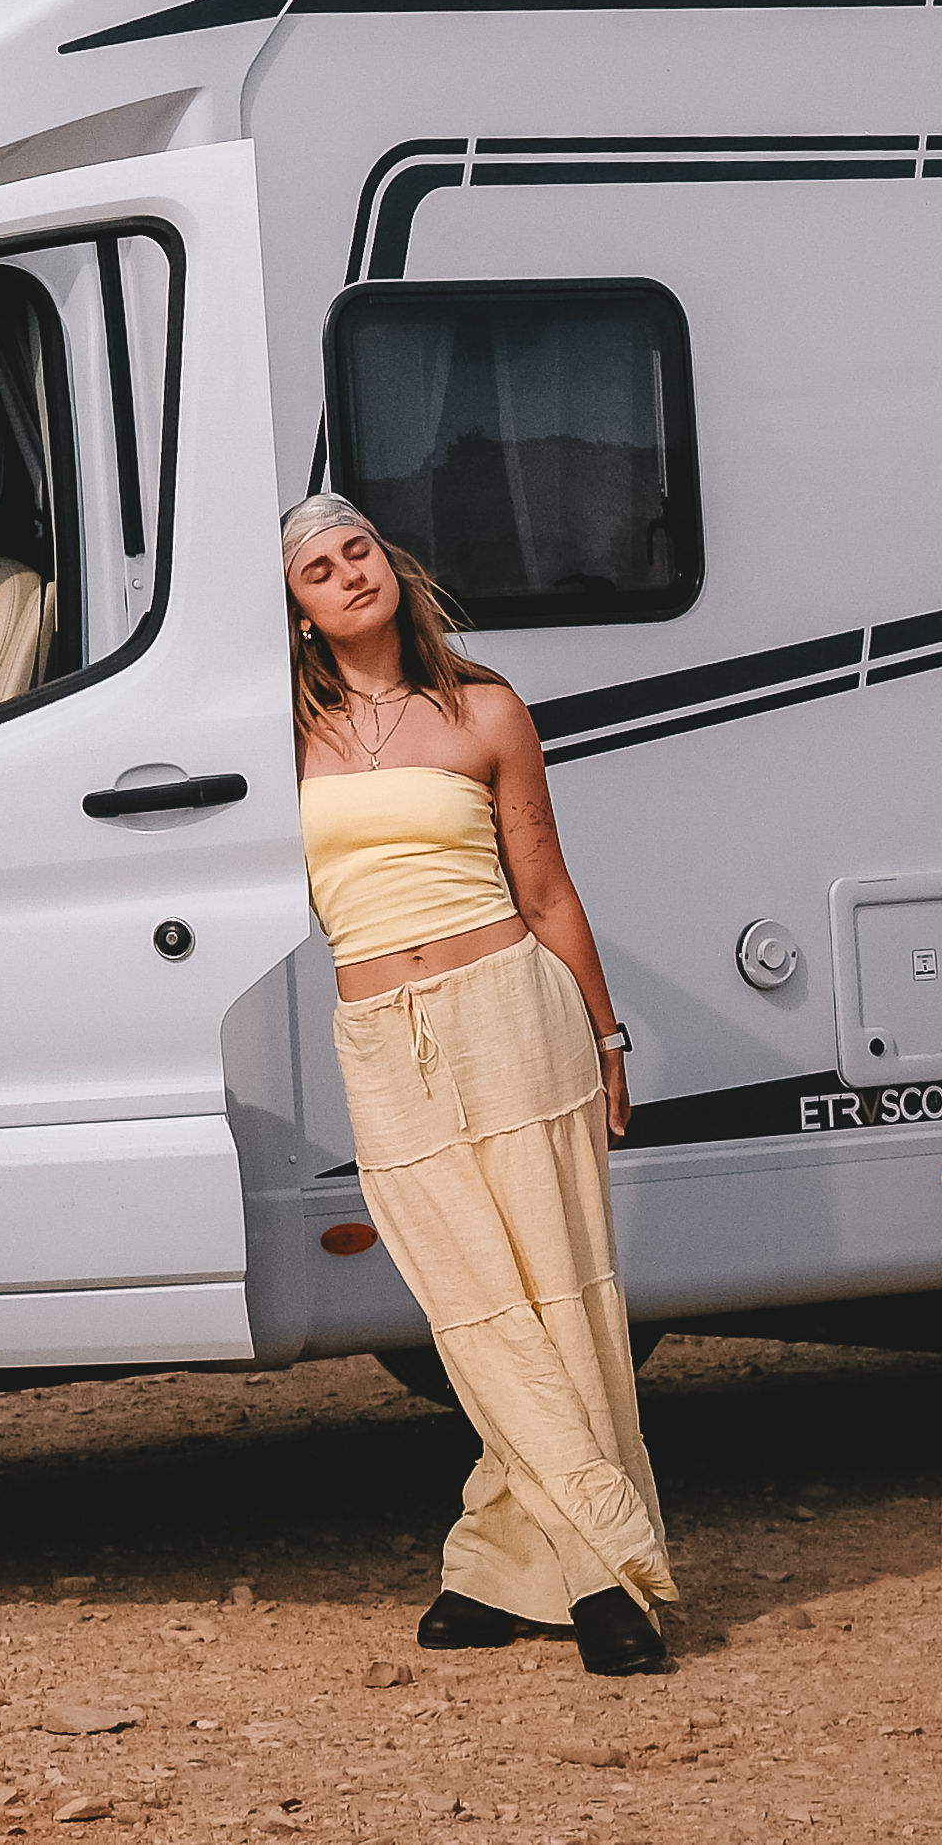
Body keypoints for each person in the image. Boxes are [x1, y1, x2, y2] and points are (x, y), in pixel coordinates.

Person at [285, 490, 679, 1675]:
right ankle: (511, 1559)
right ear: (297, 613)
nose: (347, 571)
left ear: (393, 568)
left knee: (556, 1290)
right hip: (380, 1035)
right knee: (470, 1303)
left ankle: (604, 1576)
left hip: (512, 1011)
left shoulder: (485, 710)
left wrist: (608, 1040)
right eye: (317, 567)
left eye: (359, 550)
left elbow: (549, 889)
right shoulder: (275, 739)